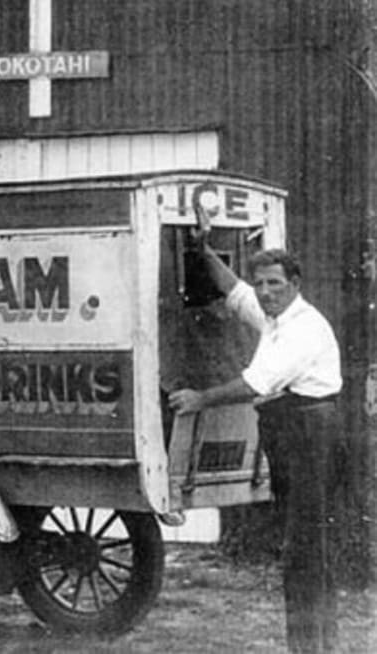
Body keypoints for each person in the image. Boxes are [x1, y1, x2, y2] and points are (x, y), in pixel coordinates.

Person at [169, 225, 342, 653]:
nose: (265, 291)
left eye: (275, 284)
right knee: (304, 544)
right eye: (262, 283)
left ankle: (310, 648)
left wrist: (199, 399)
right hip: (291, 430)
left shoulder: (302, 328)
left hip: (308, 432)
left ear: (295, 285)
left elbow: (255, 383)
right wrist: (202, 250)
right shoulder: (274, 315)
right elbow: (234, 290)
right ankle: (317, 645)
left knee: (304, 549)